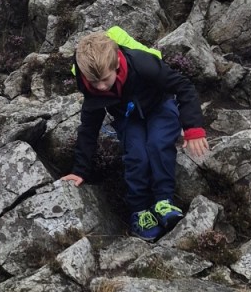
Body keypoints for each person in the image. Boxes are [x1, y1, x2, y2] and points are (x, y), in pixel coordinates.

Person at [60, 29, 209, 241]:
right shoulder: (88, 83)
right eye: (95, 83)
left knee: (158, 145)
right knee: (136, 155)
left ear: (116, 65)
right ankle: (139, 212)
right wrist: (80, 170)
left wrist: (193, 129)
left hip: (160, 106)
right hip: (128, 116)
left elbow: (184, 87)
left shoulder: (143, 64)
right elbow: (89, 126)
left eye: (104, 79)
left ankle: (163, 202)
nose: (100, 87)